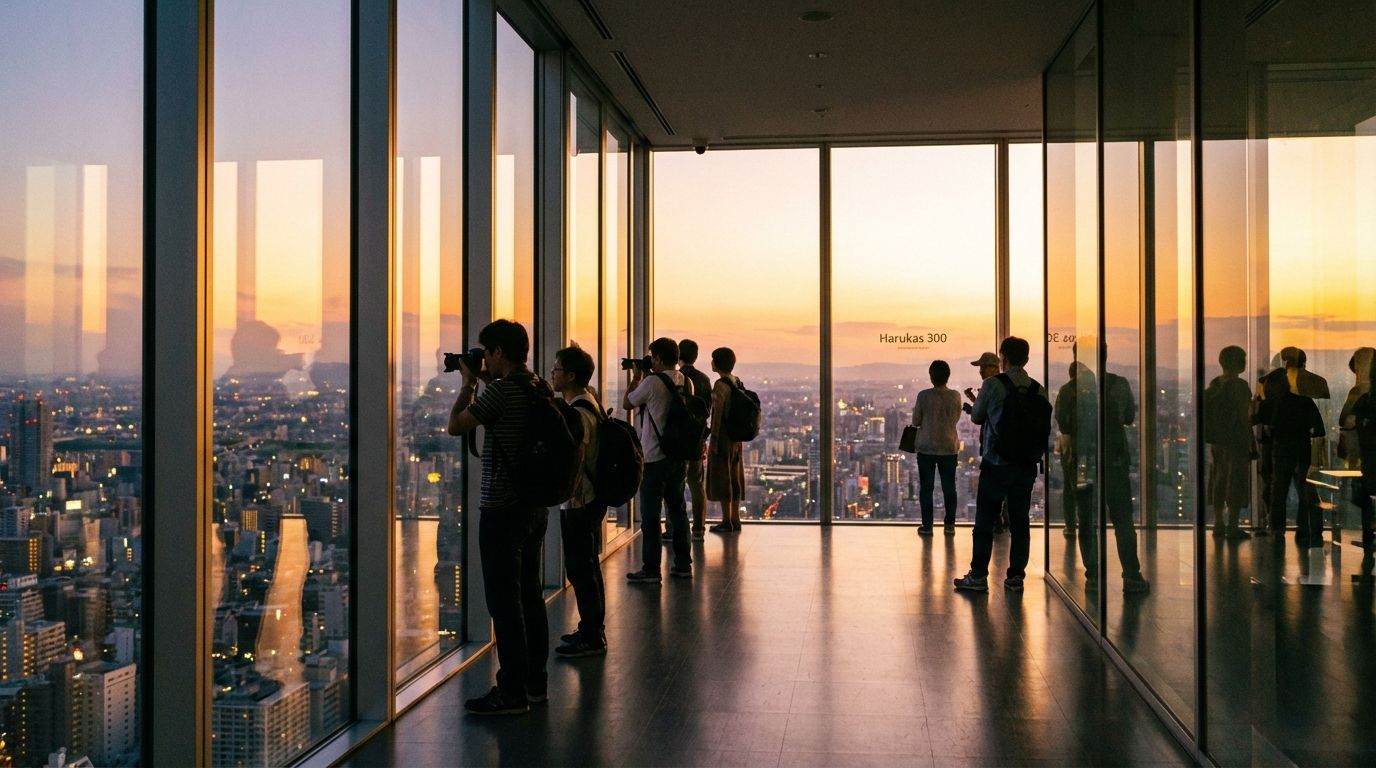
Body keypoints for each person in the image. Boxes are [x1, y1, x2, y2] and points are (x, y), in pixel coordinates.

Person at [446, 319, 548, 715]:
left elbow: (456, 425)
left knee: (503, 604)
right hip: (534, 507)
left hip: (502, 510)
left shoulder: (500, 392)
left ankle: (511, 691)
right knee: (530, 597)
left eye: (486, 352)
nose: (482, 358)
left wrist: (469, 384)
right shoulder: (536, 385)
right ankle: (535, 684)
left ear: (499, 353)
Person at [954, 336, 1045, 592]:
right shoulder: (1039, 389)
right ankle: (1016, 576)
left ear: (1002, 357)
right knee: (1019, 521)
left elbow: (978, 417)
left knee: (985, 519)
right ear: (1026, 359)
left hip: (996, 463)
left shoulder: (993, 385)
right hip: (1026, 465)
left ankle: (979, 576)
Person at [1074, 348, 1150, 593]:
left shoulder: (1071, 389)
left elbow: (1064, 422)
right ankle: (1131, 574)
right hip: (1115, 460)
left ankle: (1093, 575)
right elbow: (1128, 417)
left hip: (1085, 462)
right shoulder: (1119, 384)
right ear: (1106, 356)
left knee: (1086, 519)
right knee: (1122, 519)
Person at [550, 344, 607, 658]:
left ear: (570, 375)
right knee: (588, 567)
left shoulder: (578, 413)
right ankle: (591, 630)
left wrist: (565, 493)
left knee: (581, 569)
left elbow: (576, 457)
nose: (552, 373)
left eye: (557, 368)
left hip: (579, 501)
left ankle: (592, 636)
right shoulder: (591, 402)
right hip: (591, 497)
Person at [623, 337, 693, 582]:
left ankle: (651, 569)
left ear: (659, 359)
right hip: (678, 455)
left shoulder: (651, 382)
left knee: (651, 516)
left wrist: (636, 377)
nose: (650, 360)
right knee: (677, 510)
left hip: (653, 456)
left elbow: (627, 403)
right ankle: (683, 563)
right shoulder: (685, 380)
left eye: (652, 357)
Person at [1256, 370, 1326, 546]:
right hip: (1302, 451)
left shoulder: (1269, 405)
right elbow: (1319, 429)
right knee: (1304, 491)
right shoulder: (1304, 402)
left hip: (1280, 453)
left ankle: (1277, 529)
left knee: (1278, 492)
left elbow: (1263, 435)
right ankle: (1306, 529)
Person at [1205, 346, 1254, 540]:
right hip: (1236, 440)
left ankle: (1218, 523)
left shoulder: (1215, 385)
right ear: (1236, 362)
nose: (1245, 361)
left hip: (1218, 440)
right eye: (1243, 358)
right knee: (1236, 481)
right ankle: (1233, 525)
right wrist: (1251, 443)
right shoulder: (1239, 386)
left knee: (1218, 478)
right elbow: (1244, 417)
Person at [912, 360, 961, 535]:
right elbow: (955, 418)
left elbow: (916, 421)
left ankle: (927, 526)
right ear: (948, 376)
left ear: (931, 376)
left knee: (926, 488)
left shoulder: (923, 396)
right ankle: (949, 525)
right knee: (950, 487)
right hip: (948, 447)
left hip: (926, 447)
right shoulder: (955, 396)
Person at [964, 352, 1008, 534]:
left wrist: (972, 407)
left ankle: (991, 524)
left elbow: (978, 416)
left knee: (989, 491)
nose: (980, 371)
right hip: (1011, 446)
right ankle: (1002, 520)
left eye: (982, 367)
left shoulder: (990, 385)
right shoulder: (1008, 384)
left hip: (994, 446)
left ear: (992, 367)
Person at [678, 339, 714, 541]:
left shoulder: (677, 378)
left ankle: (674, 528)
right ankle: (699, 528)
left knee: (675, 485)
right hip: (697, 437)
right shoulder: (704, 379)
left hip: (678, 439)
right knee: (697, 483)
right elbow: (707, 409)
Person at [707, 347, 746, 533]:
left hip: (723, 438)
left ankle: (726, 521)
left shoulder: (720, 386)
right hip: (736, 438)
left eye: (713, 359)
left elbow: (717, 416)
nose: (711, 362)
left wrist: (712, 441)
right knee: (735, 477)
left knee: (723, 479)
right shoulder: (736, 381)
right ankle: (735, 518)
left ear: (717, 363)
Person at [1053, 362, 1087, 538]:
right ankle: (1087, 522)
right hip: (1089, 443)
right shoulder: (1091, 391)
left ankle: (1070, 525)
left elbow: (1059, 417)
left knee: (1069, 485)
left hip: (1070, 444)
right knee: (1086, 484)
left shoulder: (1065, 390)